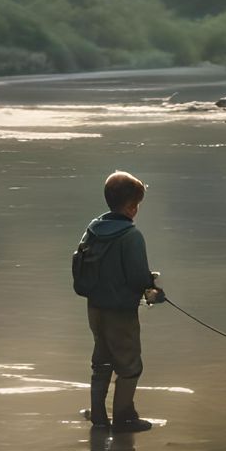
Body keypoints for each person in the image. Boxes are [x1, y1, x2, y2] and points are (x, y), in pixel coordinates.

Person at [74, 170, 165, 433]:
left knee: (101, 361)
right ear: (131, 207)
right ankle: (124, 417)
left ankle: (99, 417)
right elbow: (137, 279)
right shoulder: (131, 236)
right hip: (120, 312)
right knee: (130, 365)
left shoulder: (92, 230)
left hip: (95, 308)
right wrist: (152, 287)